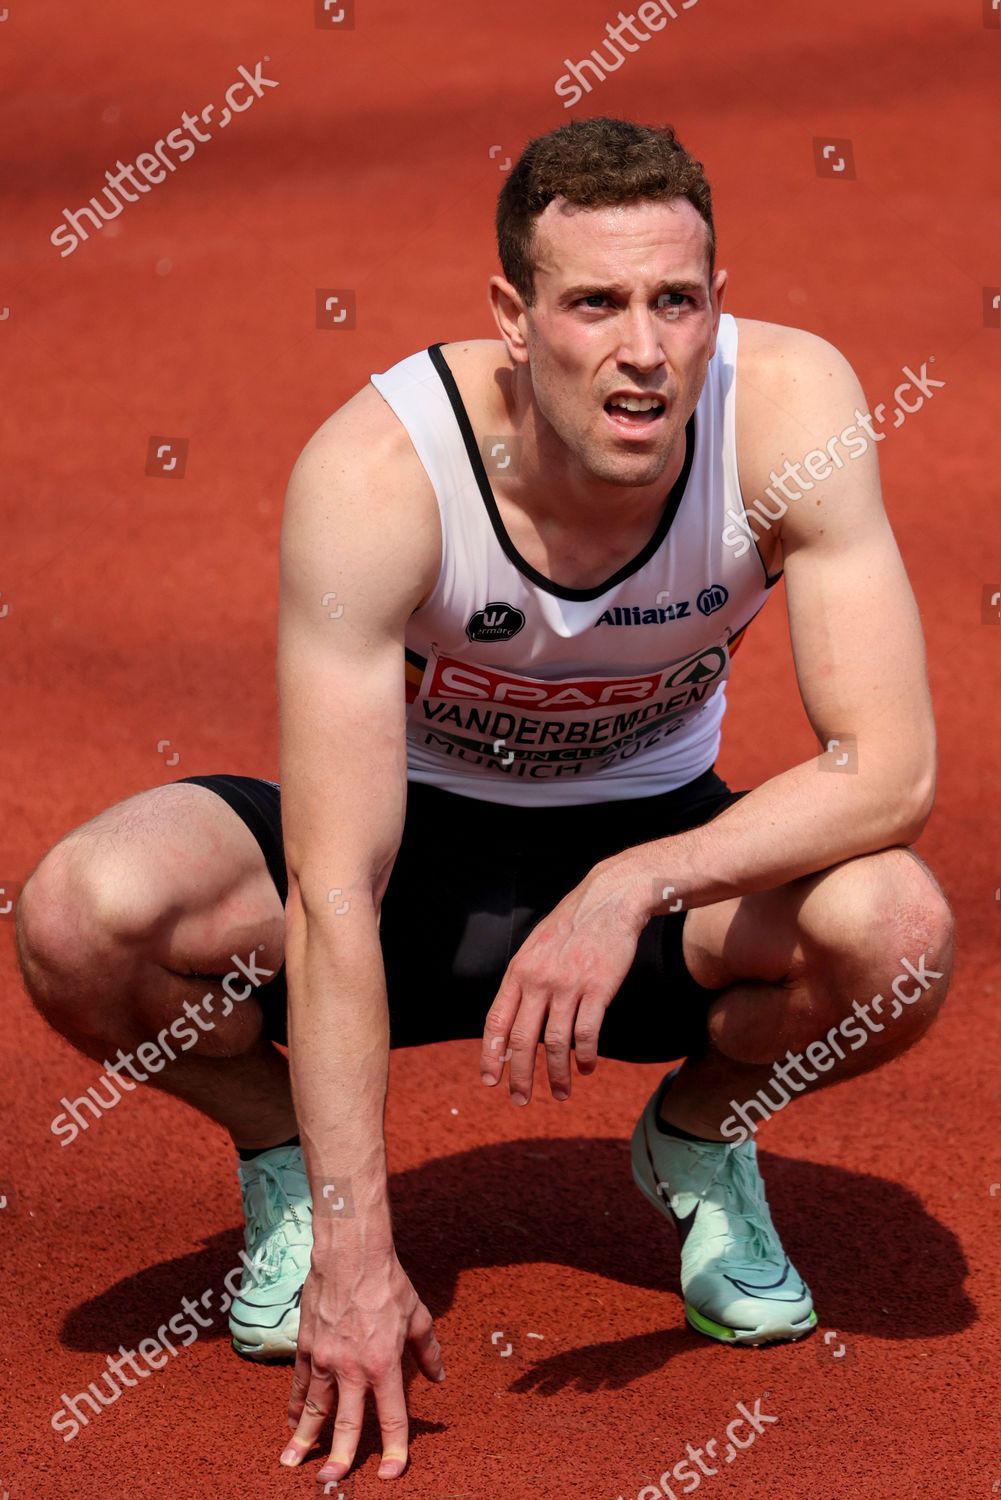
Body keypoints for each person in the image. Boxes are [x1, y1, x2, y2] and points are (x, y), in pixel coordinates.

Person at [16, 116, 954, 1487]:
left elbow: (891, 770)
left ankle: (695, 1137)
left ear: (715, 307)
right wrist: (353, 1241)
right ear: (515, 318)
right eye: (595, 304)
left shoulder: (792, 414)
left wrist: (632, 879)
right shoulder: (383, 473)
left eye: (675, 302)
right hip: (409, 864)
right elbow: (334, 890)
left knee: (898, 933)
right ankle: (281, 1159)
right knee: (78, 917)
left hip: (653, 860)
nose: (643, 349)